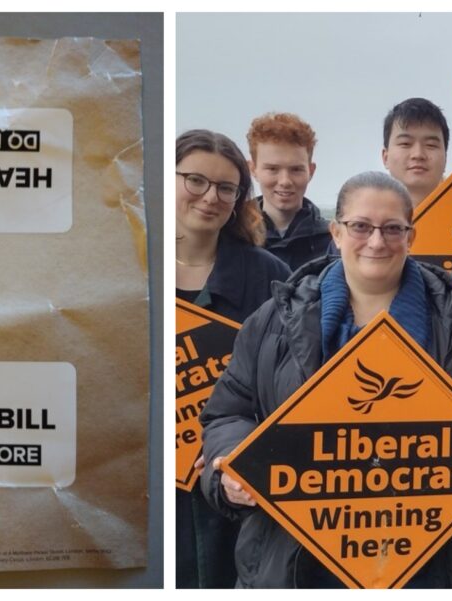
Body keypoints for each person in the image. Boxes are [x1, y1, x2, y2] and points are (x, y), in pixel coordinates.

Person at [199, 170, 452, 588]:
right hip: (298, 558)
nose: (377, 242)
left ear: (411, 236)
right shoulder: (273, 321)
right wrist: (230, 471)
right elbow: (228, 412)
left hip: (433, 556)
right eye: (360, 226)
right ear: (336, 232)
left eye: (393, 228)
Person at [175, 129, 291, 588]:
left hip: (242, 493)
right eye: (196, 181)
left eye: (227, 188)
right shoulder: (130, 269)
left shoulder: (270, 276)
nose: (211, 197)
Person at [247, 112, 332, 270]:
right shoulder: (231, 238)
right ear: (253, 169)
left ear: (311, 171)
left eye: (296, 170)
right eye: (272, 169)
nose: (285, 181)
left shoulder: (334, 243)